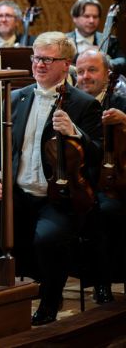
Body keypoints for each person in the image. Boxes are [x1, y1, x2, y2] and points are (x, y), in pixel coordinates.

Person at [0, 32, 102, 325]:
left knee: (47, 239)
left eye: (47, 59)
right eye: (36, 57)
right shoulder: (14, 98)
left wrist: (75, 133)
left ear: (66, 65)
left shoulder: (83, 104)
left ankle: (50, 301)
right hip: (17, 193)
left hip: (59, 199)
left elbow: (97, 156)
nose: (39, 64)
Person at [74, 48, 125, 305]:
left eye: (92, 70)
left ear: (107, 74)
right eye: (80, 71)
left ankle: (102, 282)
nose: (85, 76)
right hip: (75, 181)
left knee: (107, 212)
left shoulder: (120, 99)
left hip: (114, 184)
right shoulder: (68, 101)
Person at [66, 0, 125, 72]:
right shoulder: (64, 41)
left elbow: (122, 61)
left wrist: (103, 62)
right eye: (86, 16)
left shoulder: (110, 40)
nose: (91, 21)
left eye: (95, 17)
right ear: (75, 18)